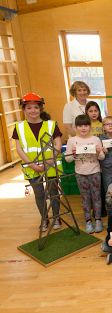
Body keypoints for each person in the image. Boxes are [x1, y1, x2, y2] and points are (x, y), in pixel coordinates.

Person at [13, 92, 62, 231]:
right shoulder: (19, 127)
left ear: (40, 108)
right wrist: (32, 164)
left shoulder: (51, 125)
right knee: (39, 194)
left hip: (51, 166)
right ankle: (45, 219)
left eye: (35, 107)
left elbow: (58, 144)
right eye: (28, 108)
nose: (32, 110)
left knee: (54, 193)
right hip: (31, 168)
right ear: (23, 110)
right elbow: (19, 149)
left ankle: (57, 218)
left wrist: (49, 161)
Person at [65, 114, 105, 233]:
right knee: (85, 198)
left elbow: (102, 157)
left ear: (90, 126)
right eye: (80, 126)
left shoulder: (95, 139)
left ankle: (97, 219)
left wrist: (98, 152)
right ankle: (88, 221)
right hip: (80, 173)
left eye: (86, 125)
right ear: (76, 127)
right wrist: (73, 154)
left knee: (96, 196)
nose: (83, 128)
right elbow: (68, 159)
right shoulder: (72, 140)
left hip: (95, 171)